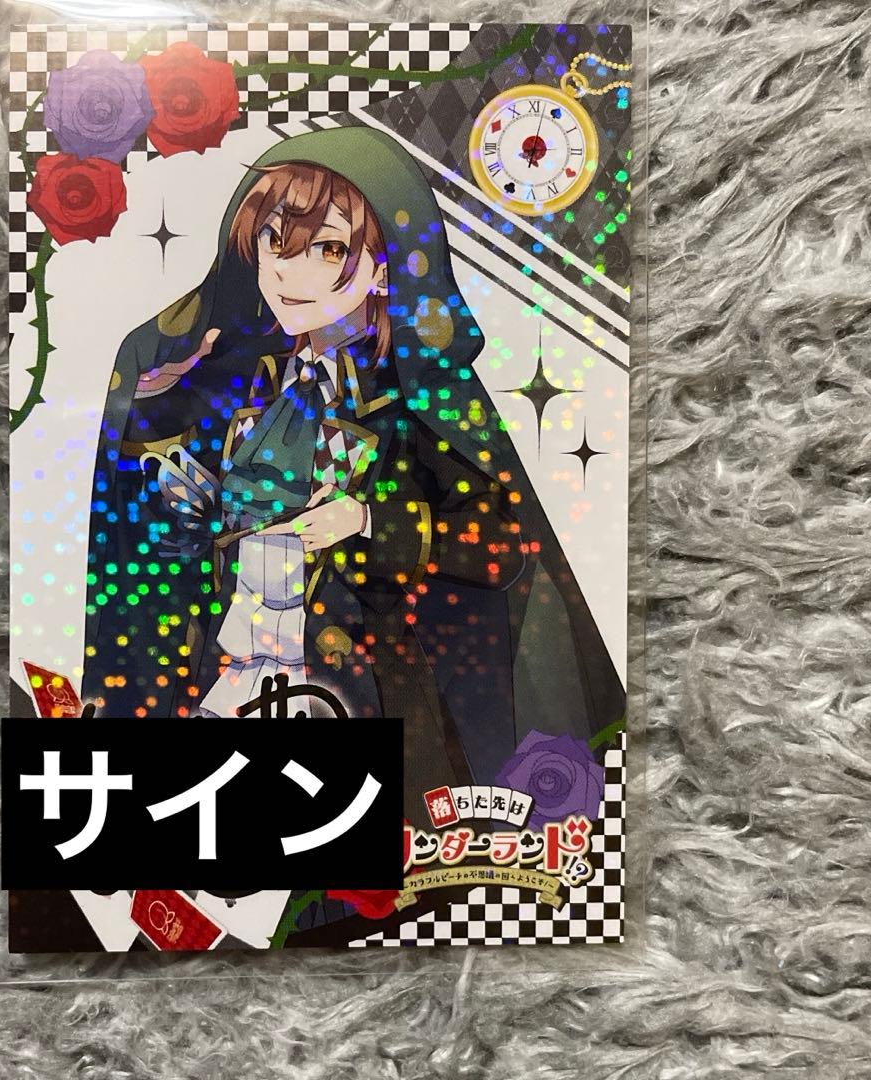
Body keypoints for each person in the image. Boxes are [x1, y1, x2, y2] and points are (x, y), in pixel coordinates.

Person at [82, 129, 624, 927]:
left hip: (369, 695)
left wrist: (368, 521)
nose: (288, 271)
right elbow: (157, 538)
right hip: (235, 671)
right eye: (274, 240)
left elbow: (501, 546)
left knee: (341, 912)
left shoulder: (422, 395)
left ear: (385, 267)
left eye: (327, 249)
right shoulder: (237, 377)